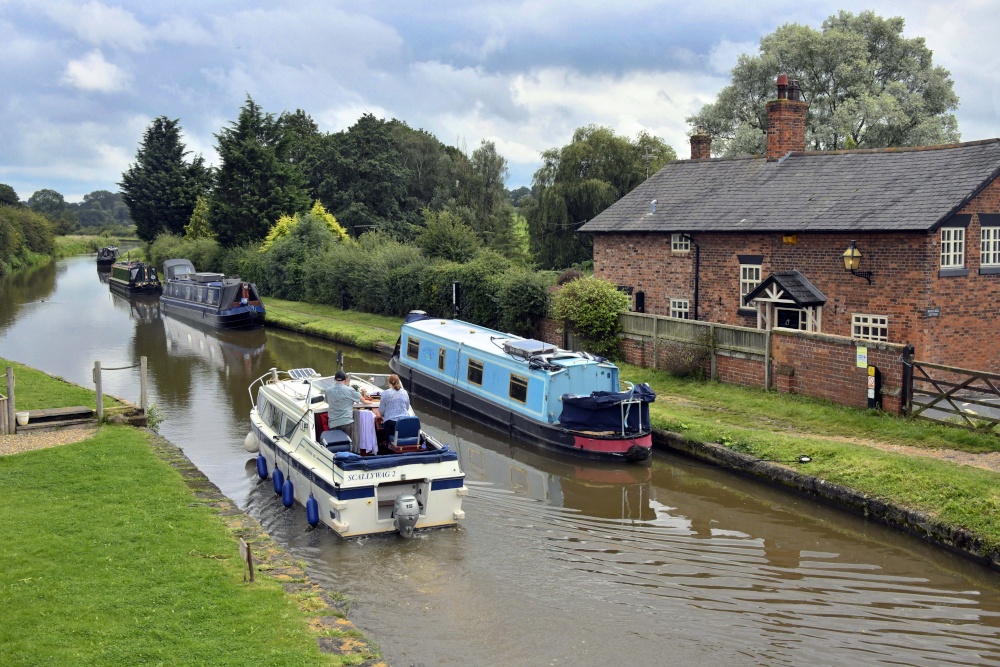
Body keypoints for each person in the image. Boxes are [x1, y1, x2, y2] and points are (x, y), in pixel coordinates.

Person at [324, 370, 373, 441]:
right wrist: (367, 401)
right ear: (345, 379)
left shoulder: (328, 390)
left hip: (333, 423)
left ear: (335, 379)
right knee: (348, 444)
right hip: (346, 422)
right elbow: (362, 399)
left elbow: (328, 402)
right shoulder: (349, 390)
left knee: (336, 445)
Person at [378, 374, 411, 441]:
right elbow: (407, 407)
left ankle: (385, 445)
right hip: (404, 422)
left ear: (389, 382)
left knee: (381, 432)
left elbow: (381, 411)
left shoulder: (385, 393)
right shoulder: (404, 392)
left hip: (391, 424)